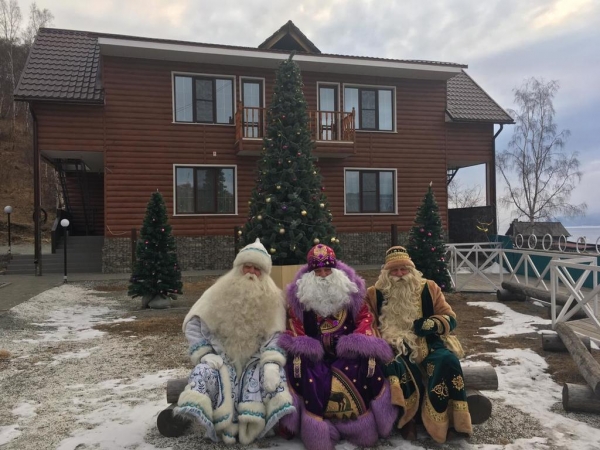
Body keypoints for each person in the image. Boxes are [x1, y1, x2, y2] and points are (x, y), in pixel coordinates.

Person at [174, 238, 295, 445]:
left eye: (257, 269)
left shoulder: (274, 298)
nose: (251, 272)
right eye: (247, 266)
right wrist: (205, 353)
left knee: (272, 378)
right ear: (239, 267)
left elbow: (277, 335)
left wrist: (271, 363)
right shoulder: (217, 291)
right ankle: (219, 424)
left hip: (255, 361)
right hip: (222, 359)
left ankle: (253, 424)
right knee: (203, 372)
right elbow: (193, 323)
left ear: (264, 273)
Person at [278, 244, 397, 450]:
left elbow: (365, 319)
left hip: (348, 352)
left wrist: (356, 342)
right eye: (318, 272)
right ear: (310, 274)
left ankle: (358, 429)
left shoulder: (352, 292)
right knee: (305, 371)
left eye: (327, 270)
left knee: (362, 368)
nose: (324, 276)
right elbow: (295, 327)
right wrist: (308, 346)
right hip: (315, 355)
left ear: (335, 271)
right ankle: (318, 431)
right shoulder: (301, 298)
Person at [365, 245, 472, 443]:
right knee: (397, 366)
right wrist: (380, 341)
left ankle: (452, 422)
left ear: (411, 270)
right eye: (394, 270)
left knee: (447, 361)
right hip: (393, 344)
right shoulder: (374, 293)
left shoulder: (429, 288)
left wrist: (432, 323)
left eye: (404, 269)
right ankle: (409, 420)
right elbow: (368, 323)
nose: (400, 274)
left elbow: (450, 317)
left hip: (428, 343)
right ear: (386, 273)